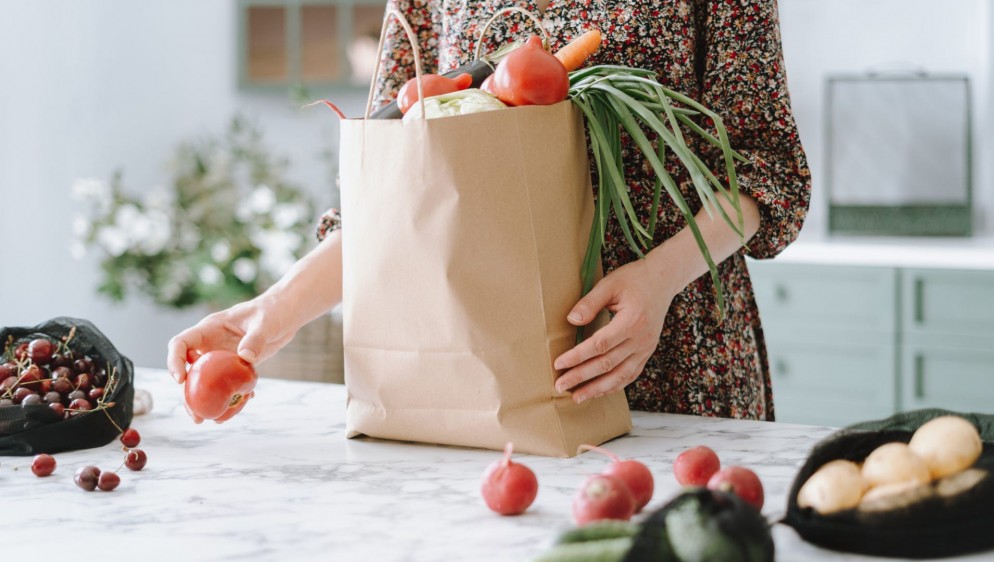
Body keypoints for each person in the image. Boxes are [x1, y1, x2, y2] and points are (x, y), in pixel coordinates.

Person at [168, 0, 810, 422]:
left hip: (673, 350)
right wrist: (272, 312)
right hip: (480, 366)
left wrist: (660, 278)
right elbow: (398, 183)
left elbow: (767, 169)